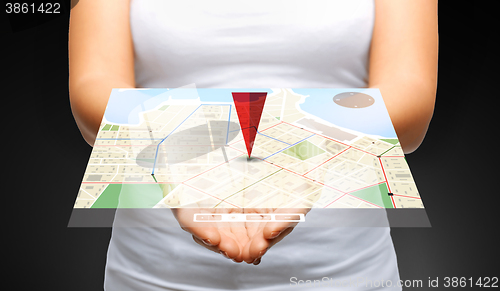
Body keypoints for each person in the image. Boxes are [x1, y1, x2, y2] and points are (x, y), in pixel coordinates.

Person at [69, 0, 438, 290]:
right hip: (151, 271)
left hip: (346, 272)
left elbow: (410, 103)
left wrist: (301, 154)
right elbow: (93, 88)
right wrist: (180, 157)